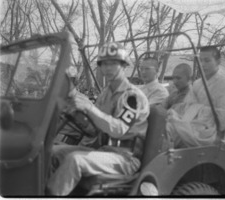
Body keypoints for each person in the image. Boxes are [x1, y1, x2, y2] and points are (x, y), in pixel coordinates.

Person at [46, 42, 150, 196]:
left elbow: (118, 130)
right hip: (103, 150)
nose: (107, 68)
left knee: (75, 160)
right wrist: (77, 113)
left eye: (113, 63)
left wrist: (89, 107)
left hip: (126, 158)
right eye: (104, 64)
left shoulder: (132, 96)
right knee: (51, 152)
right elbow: (94, 129)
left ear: (124, 66)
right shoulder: (105, 93)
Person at [166, 46, 225, 148]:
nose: (203, 65)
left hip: (212, 133)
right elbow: (187, 108)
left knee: (168, 130)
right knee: (163, 125)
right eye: (201, 61)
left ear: (218, 61)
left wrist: (197, 108)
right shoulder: (197, 84)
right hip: (192, 125)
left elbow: (222, 118)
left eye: (207, 61)